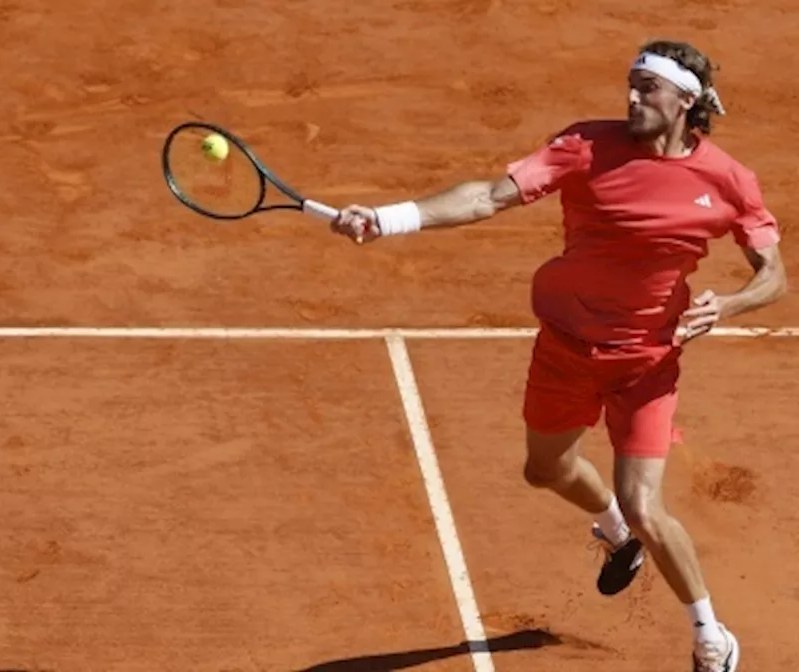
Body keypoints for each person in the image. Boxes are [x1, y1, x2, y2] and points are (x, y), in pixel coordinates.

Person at [330, 39, 787, 672]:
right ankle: (613, 533)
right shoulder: (586, 146)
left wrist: (730, 305)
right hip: (566, 351)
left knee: (646, 504)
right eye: (630, 84)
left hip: (646, 362)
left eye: (647, 88)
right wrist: (389, 218)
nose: (632, 96)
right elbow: (488, 197)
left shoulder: (728, 180)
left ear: (686, 100)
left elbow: (773, 275)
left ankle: (711, 635)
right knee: (544, 469)